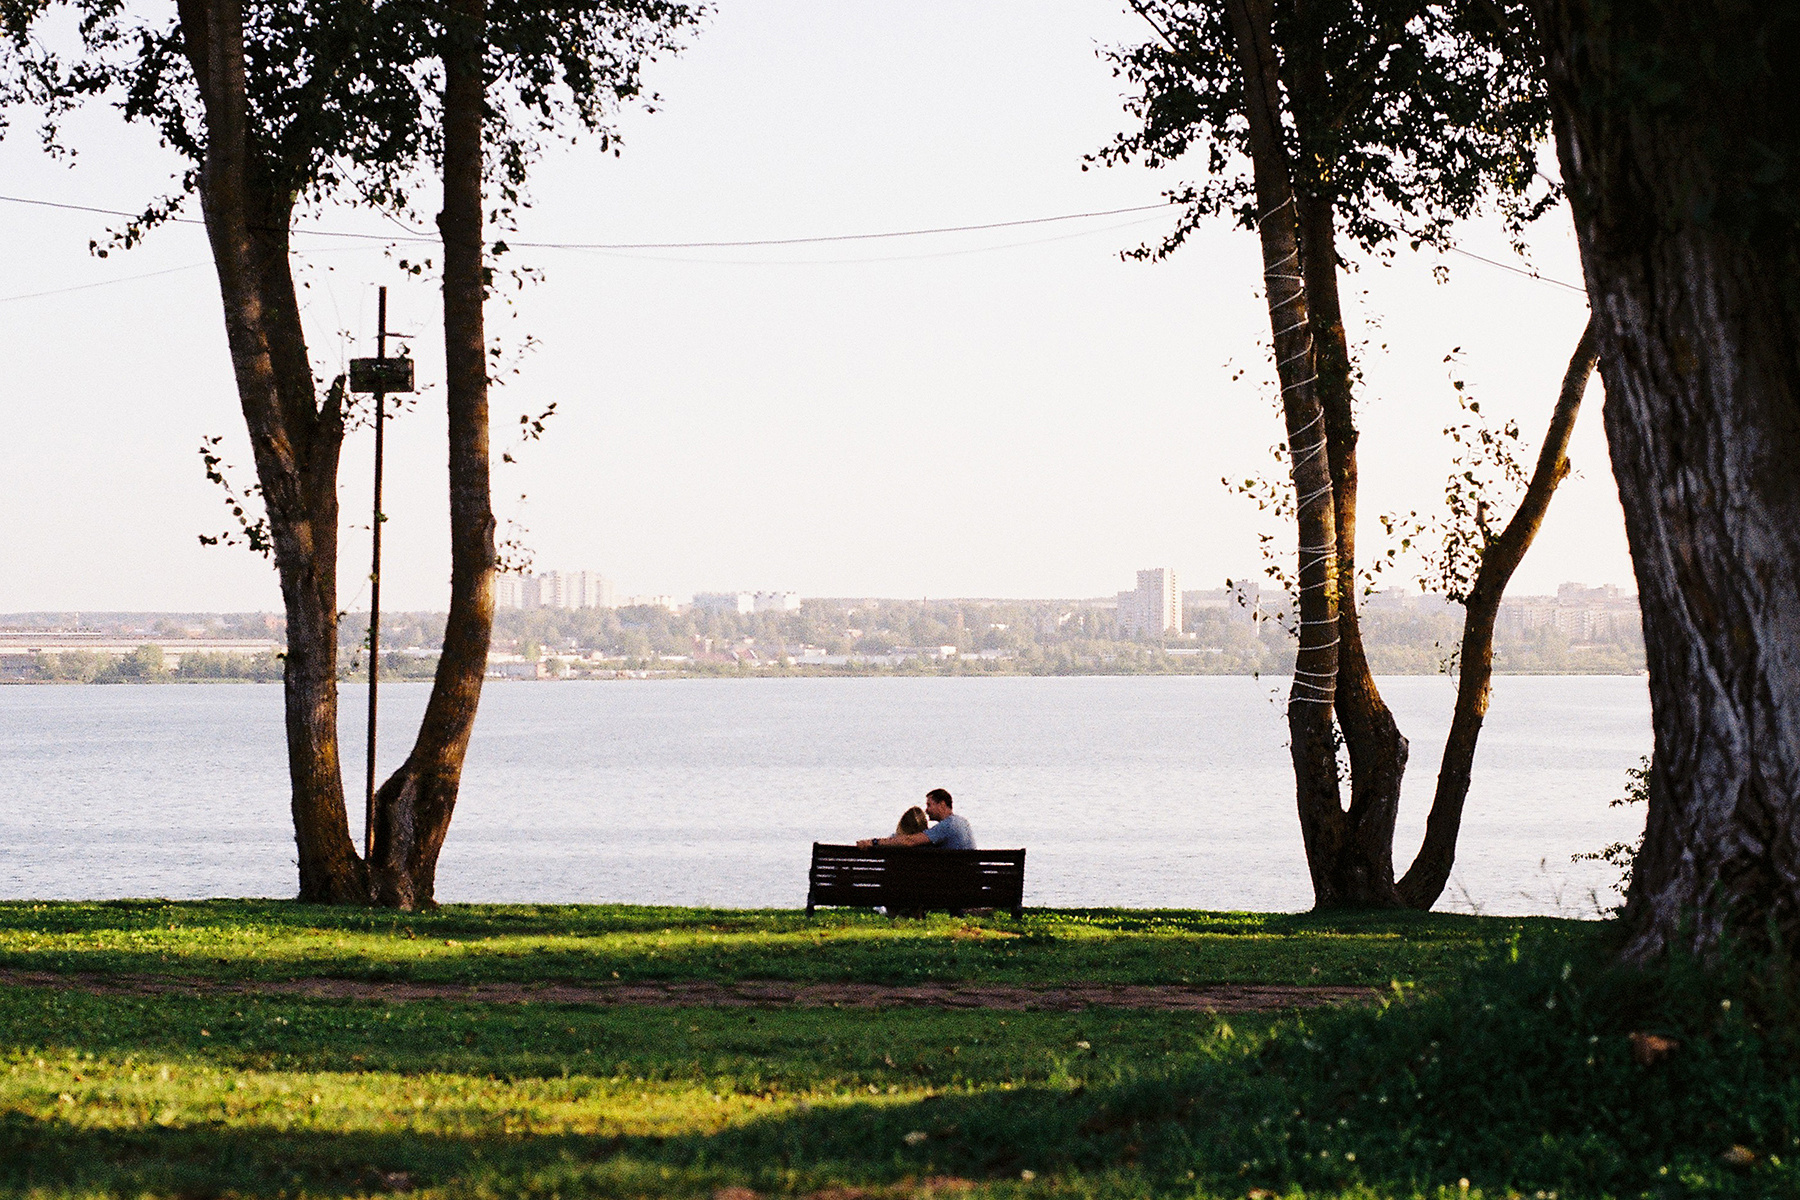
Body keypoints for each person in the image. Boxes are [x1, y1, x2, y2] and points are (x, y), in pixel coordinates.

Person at [858, 788, 973, 850]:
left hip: (954, 883)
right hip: (968, 880)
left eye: (929, 805)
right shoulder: (963, 822)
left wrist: (875, 842)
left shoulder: (948, 826)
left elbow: (910, 841)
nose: (926, 810)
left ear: (942, 805)